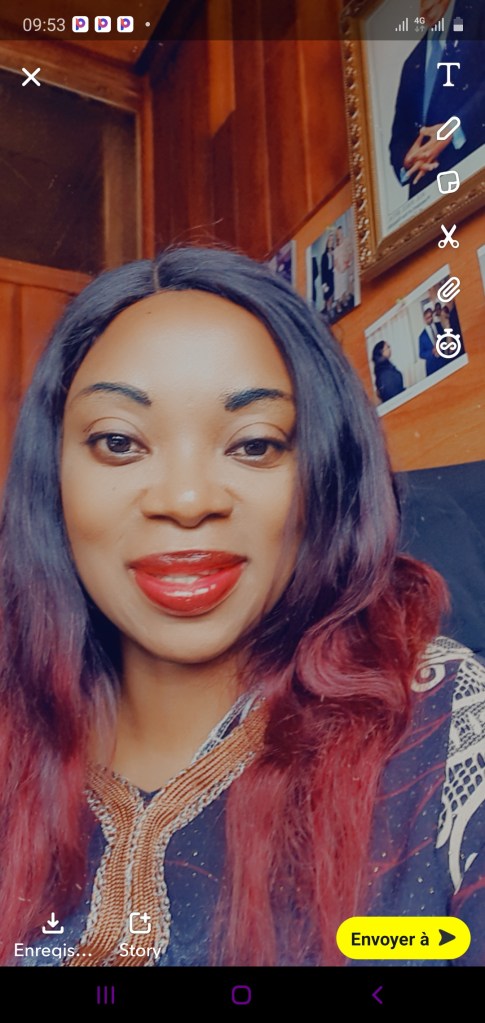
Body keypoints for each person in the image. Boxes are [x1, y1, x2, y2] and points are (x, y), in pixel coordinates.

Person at [0, 246, 484, 969]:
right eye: (118, 441)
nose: (186, 500)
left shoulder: (445, 727)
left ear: (323, 476)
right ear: (53, 480)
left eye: (255, 444)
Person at [389, 0, 485, 198]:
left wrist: (453, 129)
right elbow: (398, 139)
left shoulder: (478, 15)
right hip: (428, 196)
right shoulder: (411, 63)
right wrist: (408, 160)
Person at [419, 304, 446, 375]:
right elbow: (421, 354)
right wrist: (432, 351)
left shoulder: (439, 325)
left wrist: (442, 346)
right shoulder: (422, 336)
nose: (430, 319)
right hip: (432, 366)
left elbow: (445, 339)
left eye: (431, 316)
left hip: (444, 360)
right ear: (424, 319)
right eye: (428, 317)